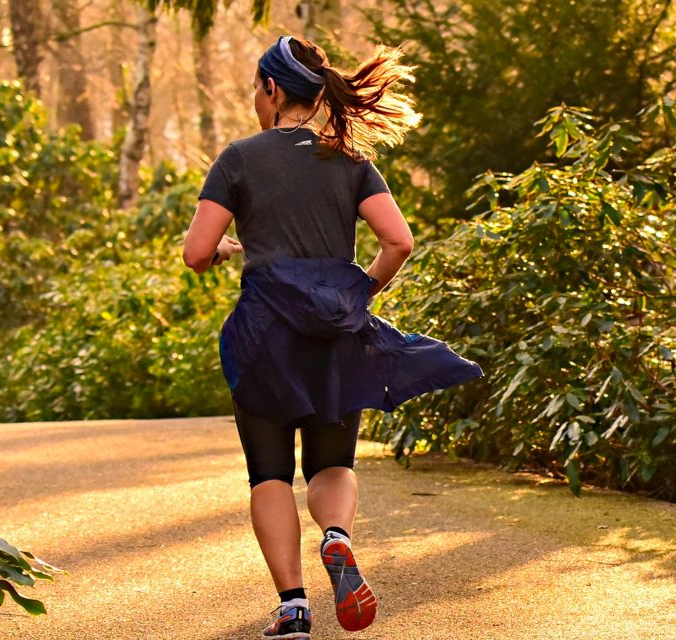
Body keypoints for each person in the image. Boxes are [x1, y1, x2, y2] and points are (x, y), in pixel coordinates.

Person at [182, 35, 483, 639]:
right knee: (332, 462)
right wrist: (358, 292)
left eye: (255, 90)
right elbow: (398, 242)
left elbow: (194, 253)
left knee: (269, 474)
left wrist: (223, 252)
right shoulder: (348, 160)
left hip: (264, 338)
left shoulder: (239, 157)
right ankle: (338, 537)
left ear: (271, 89)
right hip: (335, 335)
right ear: (317, 96)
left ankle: (293, 609)